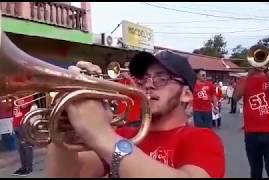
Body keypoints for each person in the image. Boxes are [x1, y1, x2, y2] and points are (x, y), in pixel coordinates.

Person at [47, 50, 225, 178]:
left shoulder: (202, 139)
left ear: (186, 94)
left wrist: (101, 132)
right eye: (144, 78)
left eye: (162, 78)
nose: (148, 85)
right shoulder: (123, 135)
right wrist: (64, 132)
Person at [233, 66, 269, 178]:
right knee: (255, 171)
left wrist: (267, 71)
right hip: (251, 133)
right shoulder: (245, 80)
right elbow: (235, 97)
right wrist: (249, 74)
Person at [12, 94, 37, 176]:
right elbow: (13, 110)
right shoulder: (15, 98)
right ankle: (23, 167)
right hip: (16, 125)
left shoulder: (29, 96)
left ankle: (29, 168)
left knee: (27, 147)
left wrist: (15, 97)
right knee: (20, 148)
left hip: (24, 125)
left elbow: (23, 106)